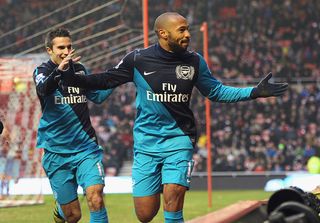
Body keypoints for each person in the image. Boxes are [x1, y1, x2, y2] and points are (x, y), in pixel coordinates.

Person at [58, 12, 288, 223]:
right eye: (182, 30)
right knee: (145, 214)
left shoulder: (195, 61)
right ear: (163, 33)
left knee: (173, 197)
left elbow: (216, 92)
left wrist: (253, 92)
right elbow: (106, 80)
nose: (188, 34)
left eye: (188, 29)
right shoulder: (138, 59)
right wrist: (72, 78)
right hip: (146, 143)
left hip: (179, 139)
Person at [33, 28, 112, 223]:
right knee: (73, 215)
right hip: (56, 152)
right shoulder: (41, 72)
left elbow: (98, 96)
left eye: (69, 46)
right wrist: (60, 72)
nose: (66, 51)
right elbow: (44, 89)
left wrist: (118, 77)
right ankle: (61, 210)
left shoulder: (79, 69)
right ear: (49, 50)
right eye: (61, 47)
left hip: (86, 149)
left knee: (95, 197)